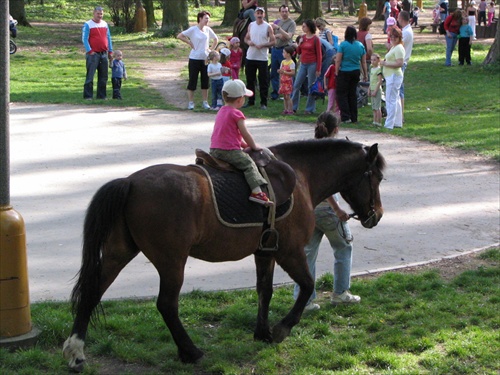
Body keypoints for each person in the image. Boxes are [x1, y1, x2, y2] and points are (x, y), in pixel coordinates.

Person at [293, 111, 360, 311]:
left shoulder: (308, 150)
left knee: (307, 255)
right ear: (336, 130)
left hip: (308, 209)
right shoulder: (332, 154)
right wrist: (338, 208)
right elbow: (329, 187)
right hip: (328, 212)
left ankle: (304, 300)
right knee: (343, 247)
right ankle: (341, 293)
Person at [210, 80, 273, 206]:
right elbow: (245, 133)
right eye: (244, 97)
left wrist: (245, 146)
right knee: (248, 164)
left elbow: (232, 135)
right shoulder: (236, 113)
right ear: (239, 100)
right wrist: (254, 146)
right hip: (228, 151)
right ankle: (256, 192)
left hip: (214, 149)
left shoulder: (222, 110)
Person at [177, 11, 218, 110]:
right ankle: (191, 102)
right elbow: (180, 36)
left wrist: (210, 49)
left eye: (208, 18)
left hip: (205, 59)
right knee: (193, 80)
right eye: (206, 18)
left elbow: (216, 39)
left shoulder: (208, 30)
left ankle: (205, 102)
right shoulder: (193, 29)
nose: (207, 20)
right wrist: (189, 42)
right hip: (194, 59)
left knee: (205, 80)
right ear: (200, 18)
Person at [244, 7, 275, 110]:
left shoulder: (268, 27)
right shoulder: (251, 25)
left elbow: (273, 41)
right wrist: (249, 43)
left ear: (264, 15)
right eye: (257, 13)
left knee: (263, 81)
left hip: (262, 58)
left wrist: (264, 45)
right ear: (255, 14)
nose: (259, 15)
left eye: (261, 13)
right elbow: (246, 38)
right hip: (251, 56)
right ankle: (250, 101)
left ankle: (263, 102)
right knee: (250, 80)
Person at [335, 26, 367, 124]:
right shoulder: (360, 45)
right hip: (355, 71)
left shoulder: (343, 45)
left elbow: (338, 59)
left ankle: (345, 116)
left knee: (341, 94)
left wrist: (336, 71)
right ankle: (354, 117)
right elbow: (363, 62)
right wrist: (365, 74)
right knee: (352, 94)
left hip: (344, 71)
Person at [291, 20, 322, 115]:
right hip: (303, 64)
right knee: (296, 85)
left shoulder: (316, 39)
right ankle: (293, 107)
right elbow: (298, 52)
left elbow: (319, 54)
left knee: (311, 86)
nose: (303, 28)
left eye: (304, 26)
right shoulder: (303, 38)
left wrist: (318, 68)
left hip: (312, 64)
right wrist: (299, 44)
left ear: (309, 27)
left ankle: (309, 108)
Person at [82, 6, 113, 100]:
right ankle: (88, 96)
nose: (100, 15)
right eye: (98, 13)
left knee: (103, 76)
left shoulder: (104, 24)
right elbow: (84, 39)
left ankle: (102, 96)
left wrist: (110, 51)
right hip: (93, 54)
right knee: (90, 75)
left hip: (103, 53)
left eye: (101, 14)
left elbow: (108, 38)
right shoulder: (88, 24)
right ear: (94, 13)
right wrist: (89, 51)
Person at [269, 4, 296, 101]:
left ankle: (289, 92)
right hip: (275, 49)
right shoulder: (277, 22)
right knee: (274, 72)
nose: (284, 13)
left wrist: (279, 29)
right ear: (280, 12)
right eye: (282, 11)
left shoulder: (291, 23)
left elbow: (288, 36)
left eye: (286, 11)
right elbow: (273, 36)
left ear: (289, 12)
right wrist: (279, 35)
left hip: (285, 49)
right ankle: (275, 93)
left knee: (287, 71)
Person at [380, 26, 405, 130]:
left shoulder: (399, 48)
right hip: (392, 75)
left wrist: (385, 63)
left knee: (390, 100)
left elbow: (399, 63)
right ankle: (397, 122)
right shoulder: (394, 47)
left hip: (393, 76)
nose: (393, 38)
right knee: (396, 99)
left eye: (395, 36)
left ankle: (389, 124)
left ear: (399, 37)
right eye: (391, 36)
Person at [398, 10, 413, 123]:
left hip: (401, 62)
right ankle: (399, 114)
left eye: (398, 18)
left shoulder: (406, 32)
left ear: (402, 19)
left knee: (399, 90)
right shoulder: (405, 31)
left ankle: (400, 115)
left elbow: (398, 46)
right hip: (402, 61)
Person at [278, 45, 296, 115]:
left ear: (288, 54)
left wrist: (284, 72)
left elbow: (292, 72)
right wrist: (280, 74)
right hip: (283, 81)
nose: (283, 54)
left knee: (288, 96)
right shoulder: (283, 62)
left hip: (288, 81)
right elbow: (281, 70)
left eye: (284, 52)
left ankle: (290, 109)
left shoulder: (291, 63)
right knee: (284, 96)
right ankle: (285, 109)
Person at [368, 54, 383, 127]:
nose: (372, 61)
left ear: (378, 60)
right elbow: (371, 80)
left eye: (374, 60)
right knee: (373, 107)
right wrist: (369, 89)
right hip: (372, 88)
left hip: (376, 90)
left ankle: (379, 122)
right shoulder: (371, 69)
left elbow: (379, 81)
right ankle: (374, 121)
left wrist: (375, 90)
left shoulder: (378, 69)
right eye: (371, 60)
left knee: (377, 107)